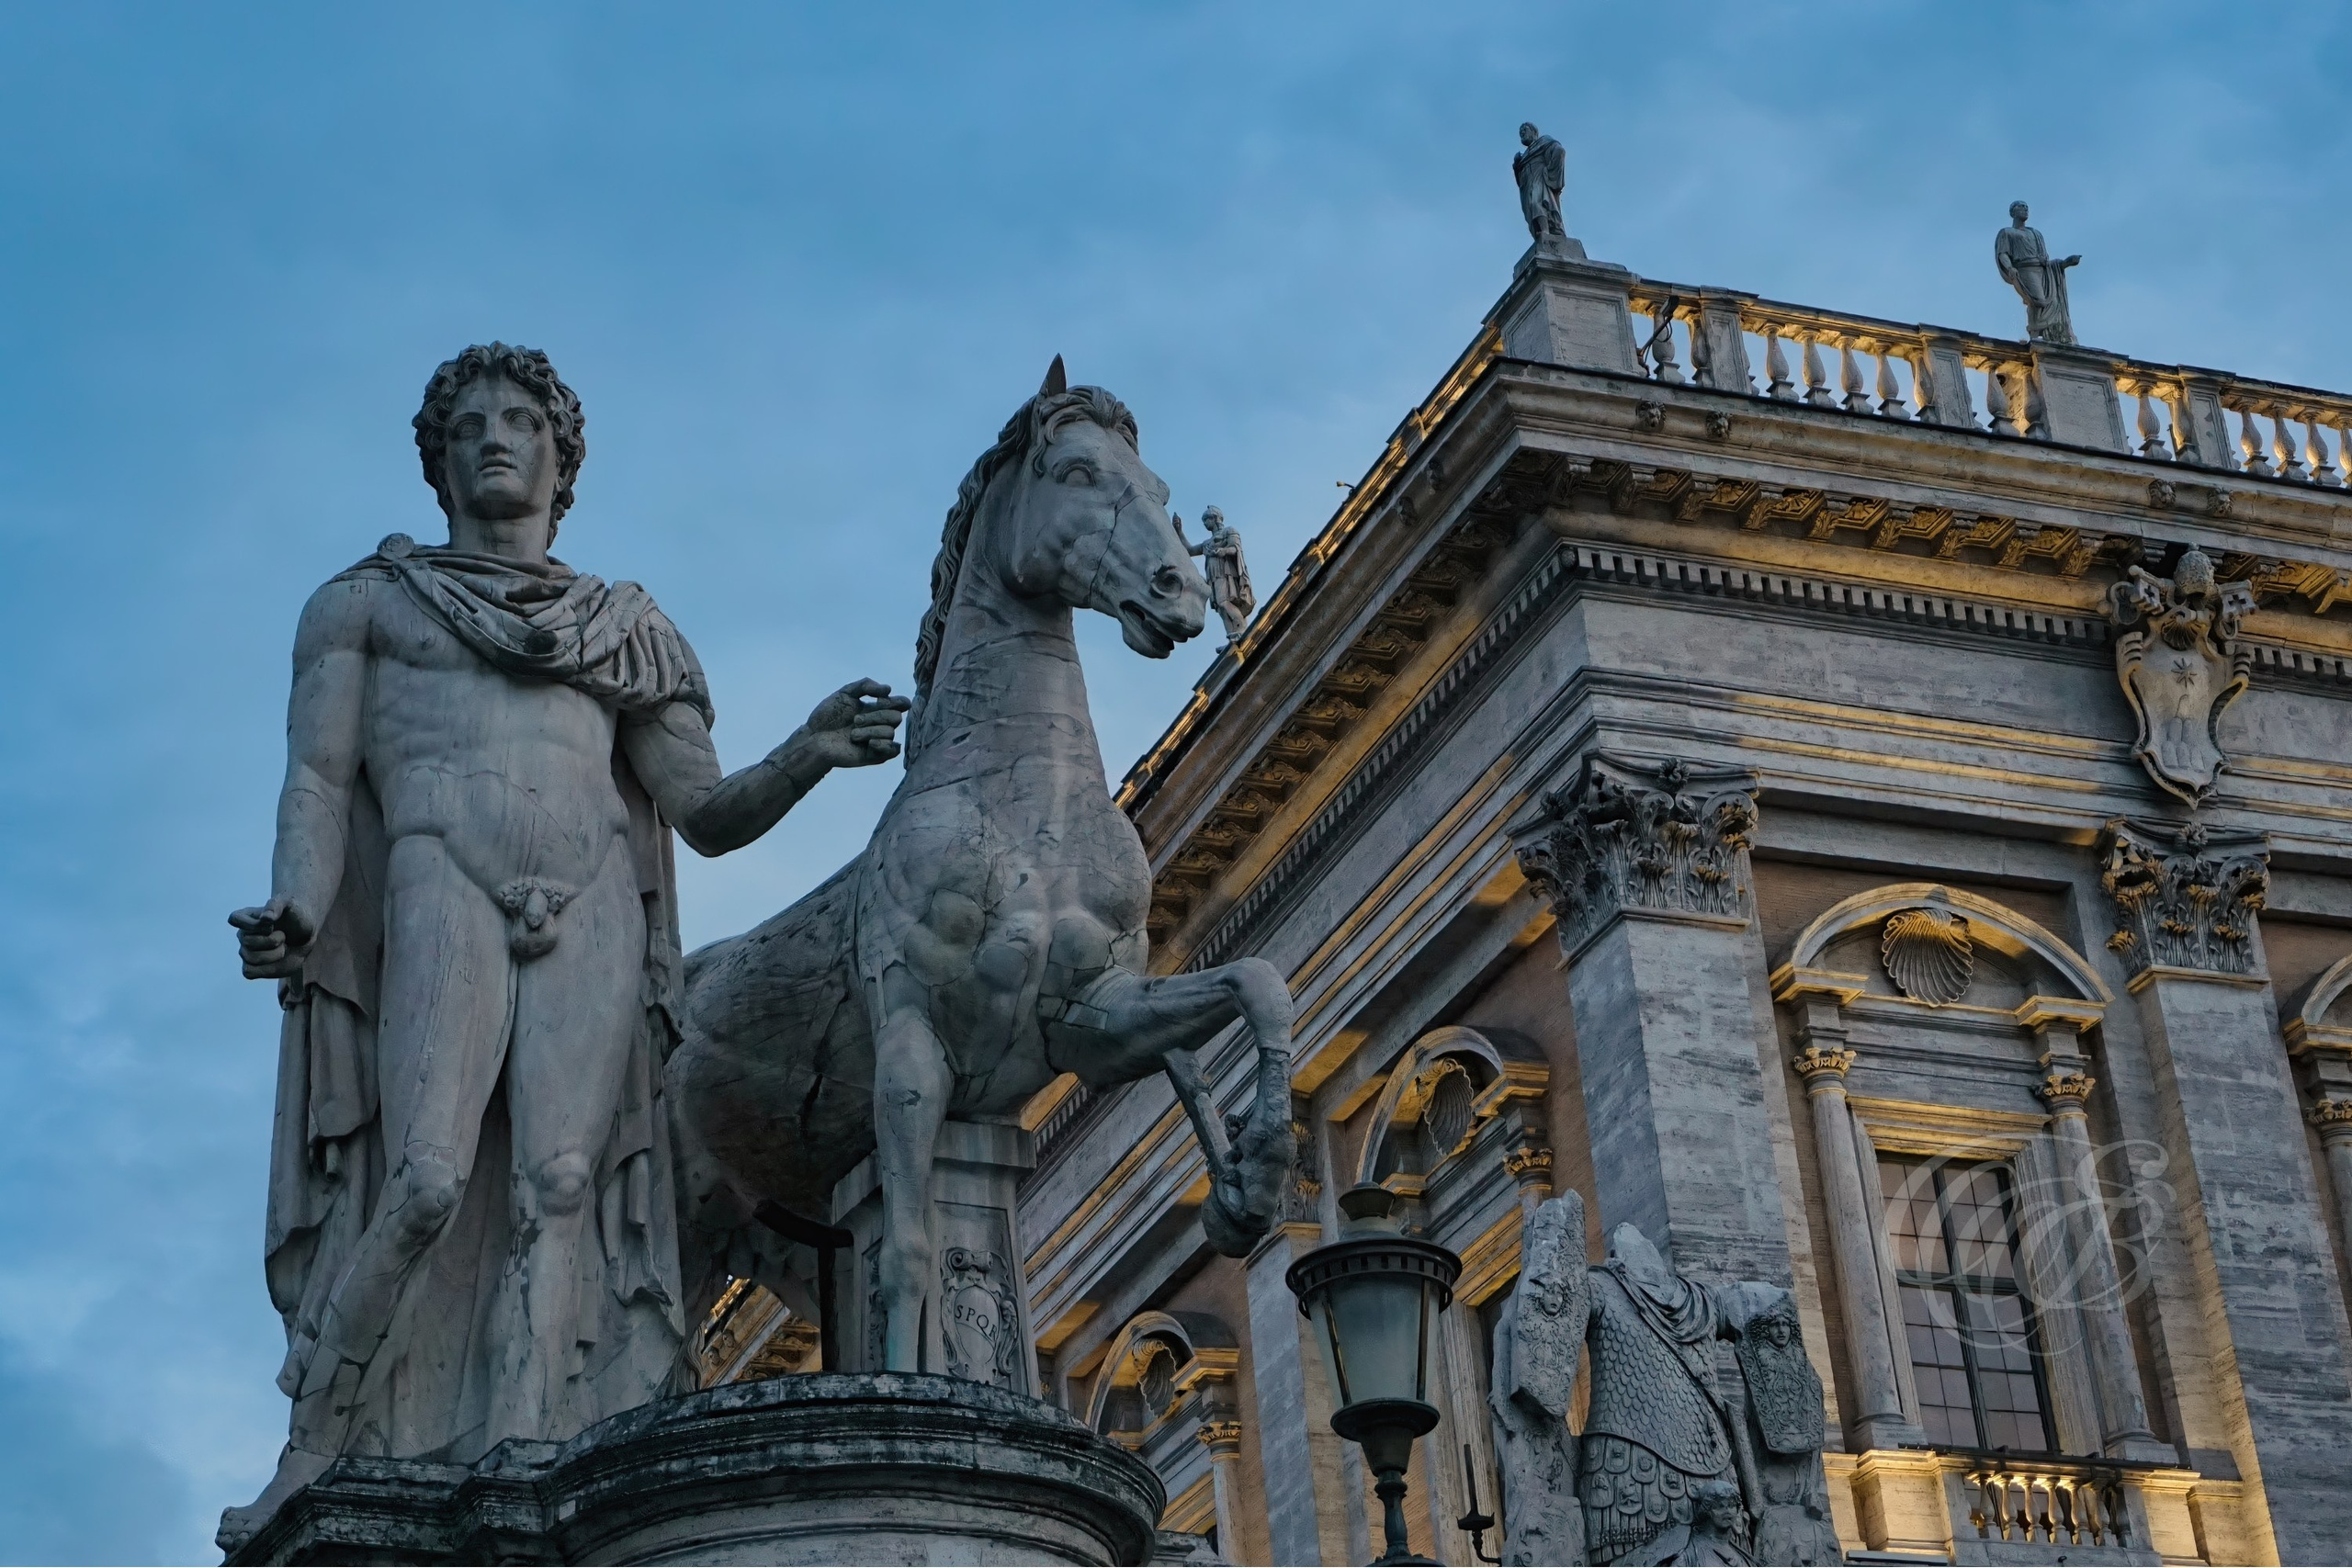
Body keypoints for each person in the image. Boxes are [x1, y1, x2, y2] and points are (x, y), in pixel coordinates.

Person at [221, 344, 905, 1540]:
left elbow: (703, 814)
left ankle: (531, 1456)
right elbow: (320, 784)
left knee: (563, 1188)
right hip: (442, 868)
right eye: (471, 422)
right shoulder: (365, 605)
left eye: (523, 420)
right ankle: (319, 1435)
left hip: (589, 893)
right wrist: (296, 904)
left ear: (561, 457)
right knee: (426, 1176)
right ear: (435, 461)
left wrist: (804, 751)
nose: (497, 435)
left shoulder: (626, 628)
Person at [1996, 201, 2080, 344]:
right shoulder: (2007, 233)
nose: (2025, 209)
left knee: (2053, 301)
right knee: (2038, 301)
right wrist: (2010, 267)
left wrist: (2065, 263)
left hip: (2043, 270)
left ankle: (2047, 334)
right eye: (2020, 207)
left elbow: (2045, 258)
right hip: (2025, 269)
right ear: (2012, 213)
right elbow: (2003, 253)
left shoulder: (2035, 233)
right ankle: (2034, 329)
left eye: (2026, 207)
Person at [1178, 504, 1255, 647]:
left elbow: (1235, 548)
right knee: (1221, 609)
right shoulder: (1207, 543)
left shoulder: (1229, 531)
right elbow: (1189, 550)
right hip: (1212, 576)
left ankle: (1242, 630)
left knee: (1224, 602)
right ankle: (1232, 637)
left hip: (1225, 573)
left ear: (1215, 518)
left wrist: (1222, 551)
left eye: (1206, 520)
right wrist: (1179, 531)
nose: (1205, 523)